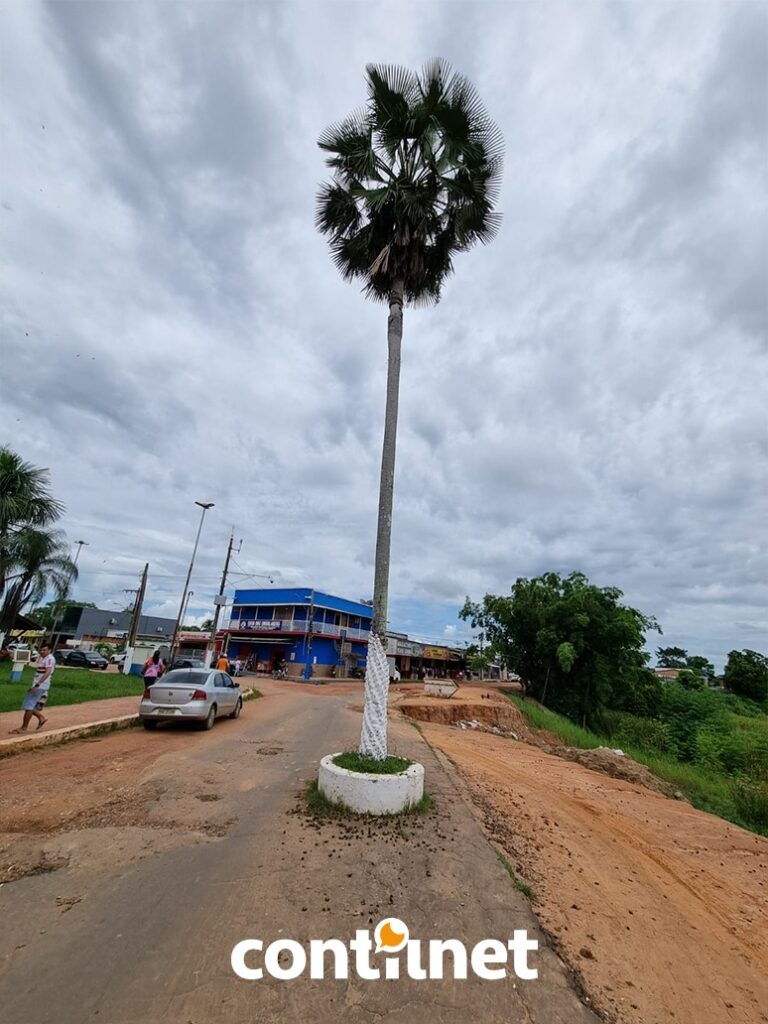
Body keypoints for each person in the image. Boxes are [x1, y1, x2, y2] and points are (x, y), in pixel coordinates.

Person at [10, 645, 55, 734]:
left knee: (29, 705)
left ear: (49, 650)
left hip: (40, 686)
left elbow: (48, 672)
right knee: (28, 705)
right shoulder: (44, 658)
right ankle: (41, 718)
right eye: (41, 650)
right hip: (40, 686)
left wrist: (37, 685)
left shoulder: (49, 659)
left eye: (44, 650)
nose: (42, 652)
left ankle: (24, 727)